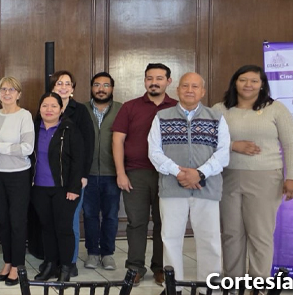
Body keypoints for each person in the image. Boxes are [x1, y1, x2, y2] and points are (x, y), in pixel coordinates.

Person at [213, 65, 293, 278]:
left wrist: (292, 178)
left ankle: (259, 284)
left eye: (254, 81)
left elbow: (290, 145)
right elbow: (208, 141)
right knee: (231, 233)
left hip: (266, 177)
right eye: (243, 80)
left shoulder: (276, 109)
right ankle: (232, 283)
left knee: (260, 234)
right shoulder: (219, 109)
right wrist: (234, 145)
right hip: (228, 177)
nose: (248, 85)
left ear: (262, 85)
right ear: (235, 82)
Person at [148, 72, 230, 285]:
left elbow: (223, 153)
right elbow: (154, 152)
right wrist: (179, 172)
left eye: (195, 86)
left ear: (203, 91)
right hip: (172, 188)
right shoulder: (162, 117)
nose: (190, 90)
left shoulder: (216, 118)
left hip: (207, 188)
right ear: (177, 90)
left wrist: (199, 173)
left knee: (210, 240)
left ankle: (209, 287)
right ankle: (173, 286)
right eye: (185, 86)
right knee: (171, 239)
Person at [111, 63, 176, 286]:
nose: (154, 82)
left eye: (159, 78)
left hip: (168, 175)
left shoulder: (177, 107)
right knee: (136, 222)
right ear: (144, 81)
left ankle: (160, 268)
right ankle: (135, 268)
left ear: (169, 81)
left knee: (163, 223)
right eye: (149, 78)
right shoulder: (130, 107)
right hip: (135, 173)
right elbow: (117, 140)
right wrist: (121, 172)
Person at [0, 76, 34, 285]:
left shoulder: (25, 116)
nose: (6, 93)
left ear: (18, 94)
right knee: (3, 221)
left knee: (17, 222)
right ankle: (7, 261)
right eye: (3, 89)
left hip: (18, 175)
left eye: (11, 89)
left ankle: (17, 266)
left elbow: (27, 148)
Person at [31, 92, 85, 282]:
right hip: (39, 188)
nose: (49, 109)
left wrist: (74, 188)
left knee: (63, 228)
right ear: (40, 108)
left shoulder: (69, 128)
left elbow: (79, 161)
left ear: (61, 109)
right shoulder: (34, 129)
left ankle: (66, 268)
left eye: (54, 106)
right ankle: (50, 265)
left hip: (64, 188)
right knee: (47, 228)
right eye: (45, 105)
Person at [48, 70, 95, 275]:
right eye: (59, 83)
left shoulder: (81, 111)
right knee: (54, 220)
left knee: (71, 219)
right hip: (51, 177)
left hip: (74, 176)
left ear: (73, 89)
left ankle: (71, 261)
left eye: (68, 83)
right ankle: (56, 260)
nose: (64, 87)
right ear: (53, 87)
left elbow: (88, 144)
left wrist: (83, 175)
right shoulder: (47, 107)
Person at [82, 72, 123, 271]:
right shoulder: (81, 110)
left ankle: (107, 254)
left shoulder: (122, 110)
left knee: (111, 215)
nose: (101, 89)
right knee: (89, 215)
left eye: (106, 85)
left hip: (112, 173)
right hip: (87, 173)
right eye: (97, 85)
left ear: (112, 89)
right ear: (91, 88)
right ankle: (92, 253)